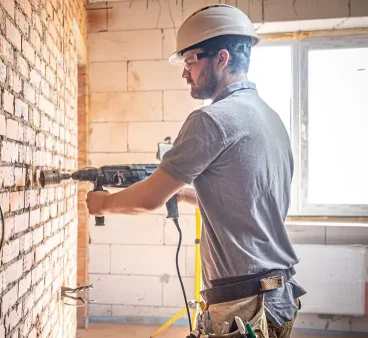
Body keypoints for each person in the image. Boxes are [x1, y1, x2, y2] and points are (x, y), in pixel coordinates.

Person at [85, 4, 306, 338]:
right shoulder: (270, 118)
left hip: (242, 308)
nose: (185, 73)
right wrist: (187, 194)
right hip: (276, 299)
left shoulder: (210, 119)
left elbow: (148, 200)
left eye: (190, 60)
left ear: (221, 58)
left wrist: (101, 204)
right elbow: (243, 198)